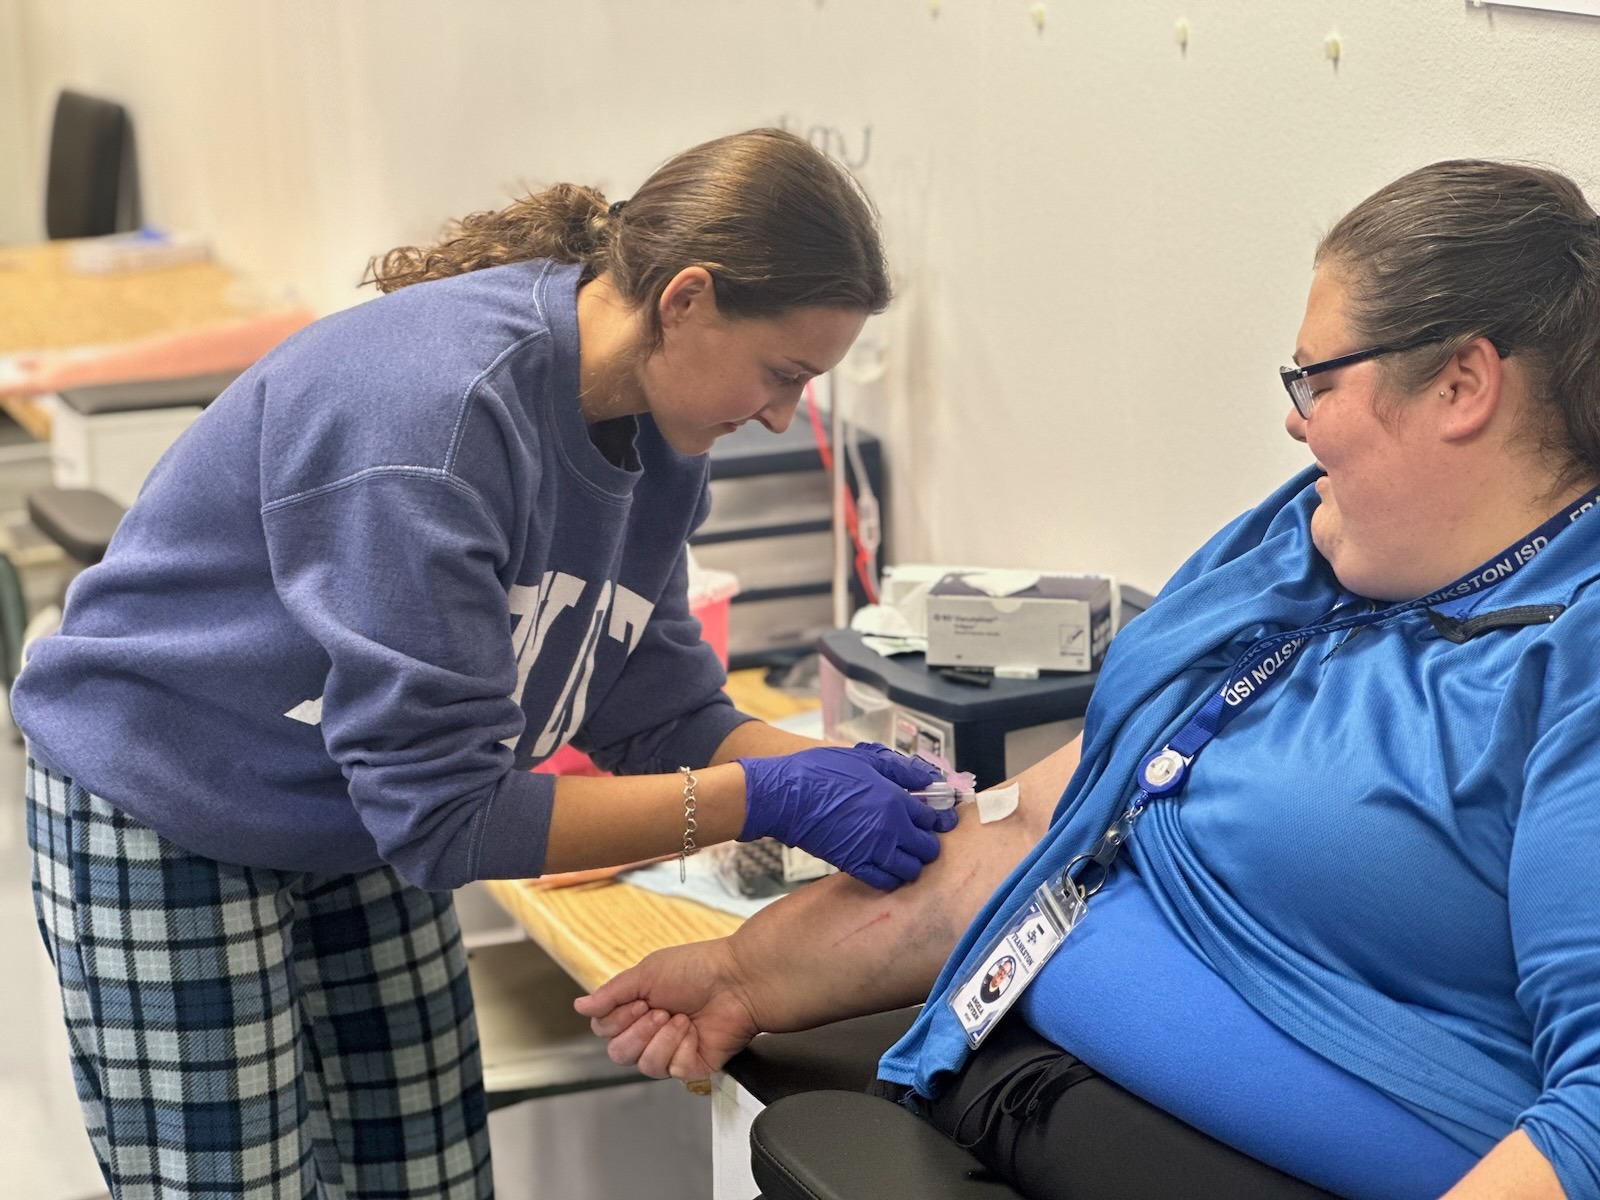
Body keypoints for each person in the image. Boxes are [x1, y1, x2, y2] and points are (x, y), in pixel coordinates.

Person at [579, 159, 1600, 1200]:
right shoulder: (1301, 549)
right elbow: (1040, 827)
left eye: (1317, 381)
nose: (1295, 423)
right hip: (1007, 1080)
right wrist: (743, 976)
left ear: (1462, 386)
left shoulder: (1574, 663)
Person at [15, 127, 959, 1199]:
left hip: (345, 804)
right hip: (168, 792)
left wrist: (823, 766)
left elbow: (654, 704)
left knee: (427, 1170)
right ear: (685, 300)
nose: (783, 415)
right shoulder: (434, 421)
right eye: (782, 373)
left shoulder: (653, 433)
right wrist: (761, 798)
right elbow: (448, 820)